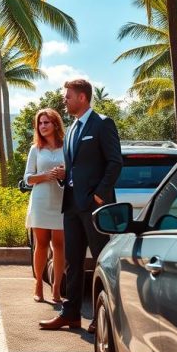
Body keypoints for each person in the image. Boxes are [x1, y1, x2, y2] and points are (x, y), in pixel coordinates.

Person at [39, 79, 121, 333]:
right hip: (72, 205)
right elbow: (77, 167)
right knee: (73, 262)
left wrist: (99, 195)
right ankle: (71, 314)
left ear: (83, 98)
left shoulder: (102, 124)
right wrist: (66, 176)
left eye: (68, 96)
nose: (65, 100)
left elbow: (115, 162)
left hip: (95, 206)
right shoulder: (73, 128)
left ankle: (102, 316)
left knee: (101, 263)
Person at [23, 108, 66, 304]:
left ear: (55, 124)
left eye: (46, 122)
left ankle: (56, 288)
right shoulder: (35, 149)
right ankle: (39, 283)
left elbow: (73, 173)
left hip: (61, 200)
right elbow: (27, 179)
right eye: (40, 123)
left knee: (59, 245)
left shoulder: (66, 146)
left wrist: (64, 174)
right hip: (40, 200)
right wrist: (45, 176)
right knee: (41, 244)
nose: (42, 126)